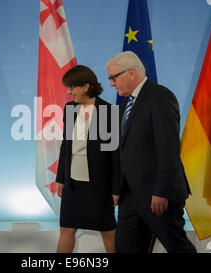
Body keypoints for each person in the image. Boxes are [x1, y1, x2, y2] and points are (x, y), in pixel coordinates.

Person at [105, 51, 197, 253]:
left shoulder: (160, 97)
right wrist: (116, 188)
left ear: (130, 73)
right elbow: (124, 152)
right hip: (129, 196)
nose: (111, 83)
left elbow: (168, 149)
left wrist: (161, 191)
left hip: (156, 195)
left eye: (114, 77)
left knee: (178, 247)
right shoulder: (124, 105)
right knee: (126, 248)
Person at [55, 65, 120, 253]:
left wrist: (116, 188)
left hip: (99, 186)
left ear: (85, 86)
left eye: (71, 88)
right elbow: (65, 146)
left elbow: (115, 156)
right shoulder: (70, 109)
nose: (68, 92)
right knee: (66, 228)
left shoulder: (108, 112)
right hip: (72, 183)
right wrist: (60, 177)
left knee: (108, 232)